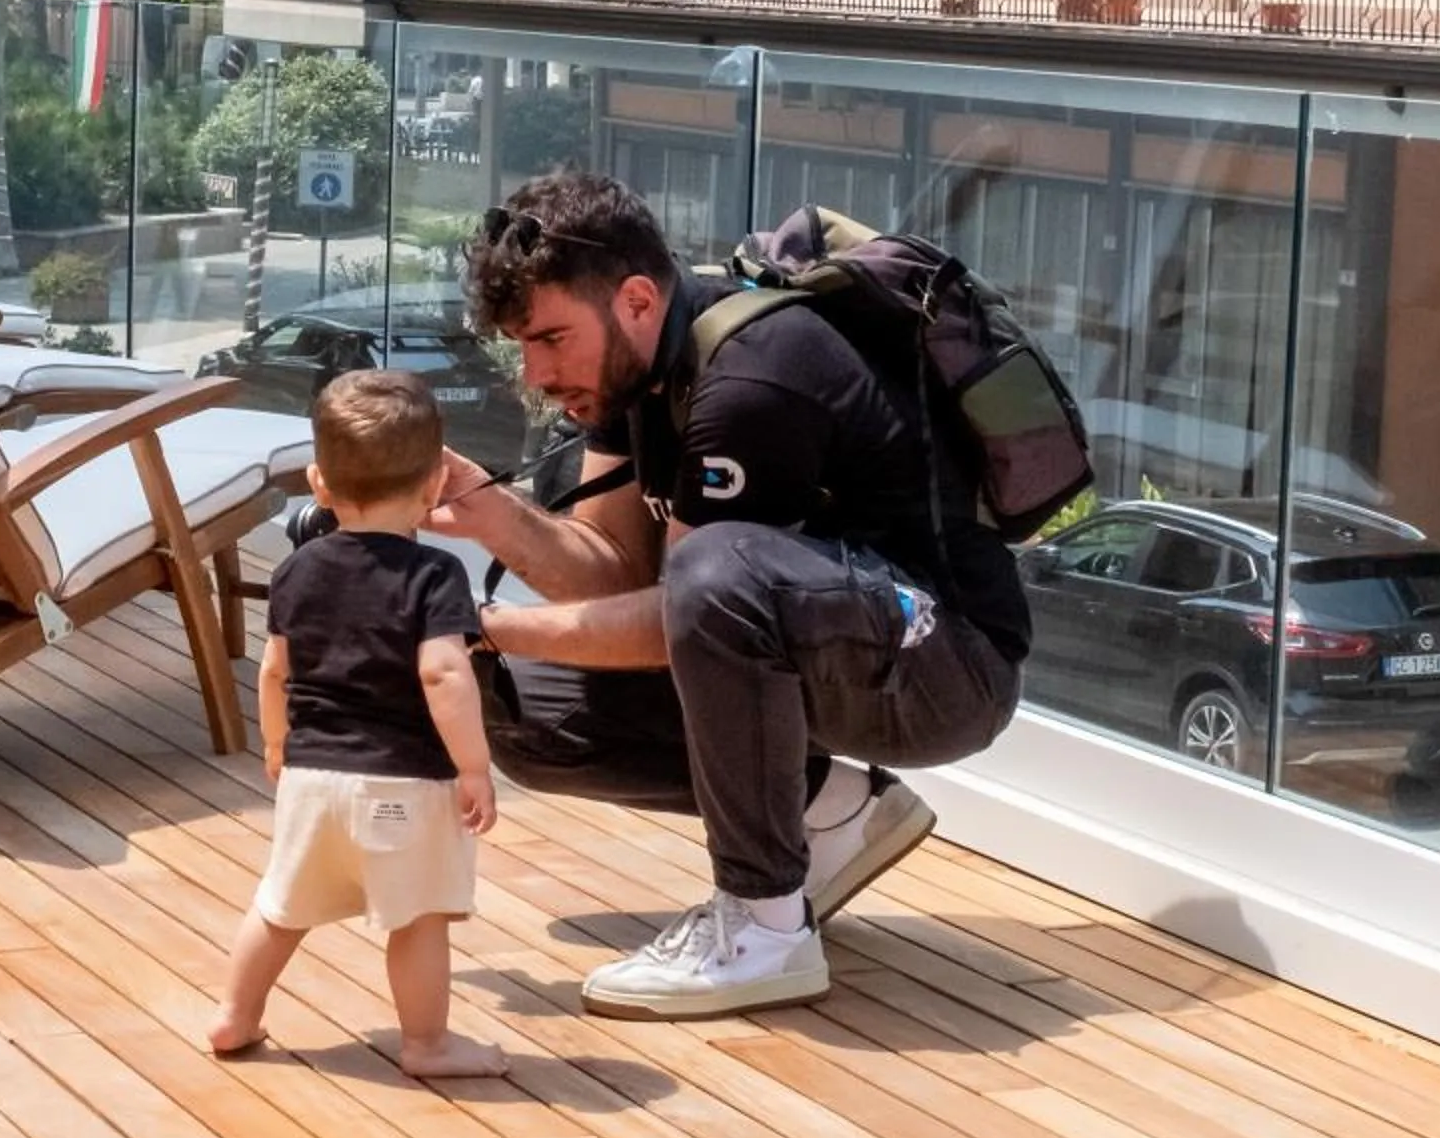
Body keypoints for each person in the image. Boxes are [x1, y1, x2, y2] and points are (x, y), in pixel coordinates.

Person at [437, 171, 1030, 1021]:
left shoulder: (754, 376)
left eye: (550, 339)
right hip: (842, 642)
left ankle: (764, 927)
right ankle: (830, 815)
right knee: (523, 708)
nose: (534, 373)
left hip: (948, 669)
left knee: (714, 574)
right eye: (522, 345)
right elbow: (611, 566)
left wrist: (481, 625)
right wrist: (491, 515)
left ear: (636, 299)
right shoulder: (633, 371)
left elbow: (687, 604)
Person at [209, 370, 506, 1077]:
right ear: (436, 484)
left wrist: (279, 744)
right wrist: (473, 766)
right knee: (419, 917)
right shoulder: (435, 576)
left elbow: (274, 670)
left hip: (311, 777)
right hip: (403, 783)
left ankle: (235, 1015)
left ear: (318, 482)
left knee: (281, 907)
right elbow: (442, 673)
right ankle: (427, 1043)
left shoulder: (296, 571)